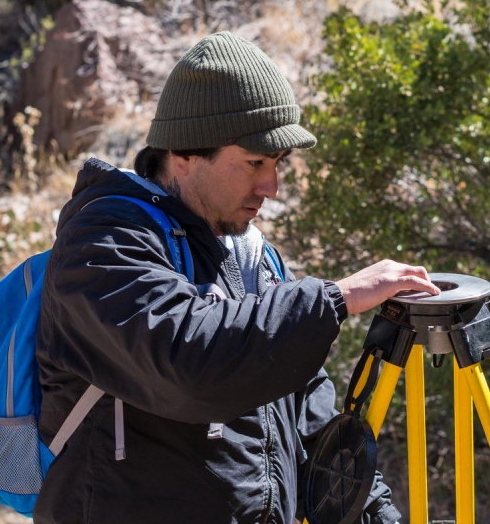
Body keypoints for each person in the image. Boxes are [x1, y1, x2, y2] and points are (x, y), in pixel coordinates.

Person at [35, 31, 440, 524]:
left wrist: (378, 516)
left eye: (277, 163)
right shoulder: (103, 241)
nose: (271, 185)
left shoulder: (252, 257)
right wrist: (335, 298)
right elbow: (188, 363)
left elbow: (311, 423)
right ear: (182, 155)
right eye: (254, 162)